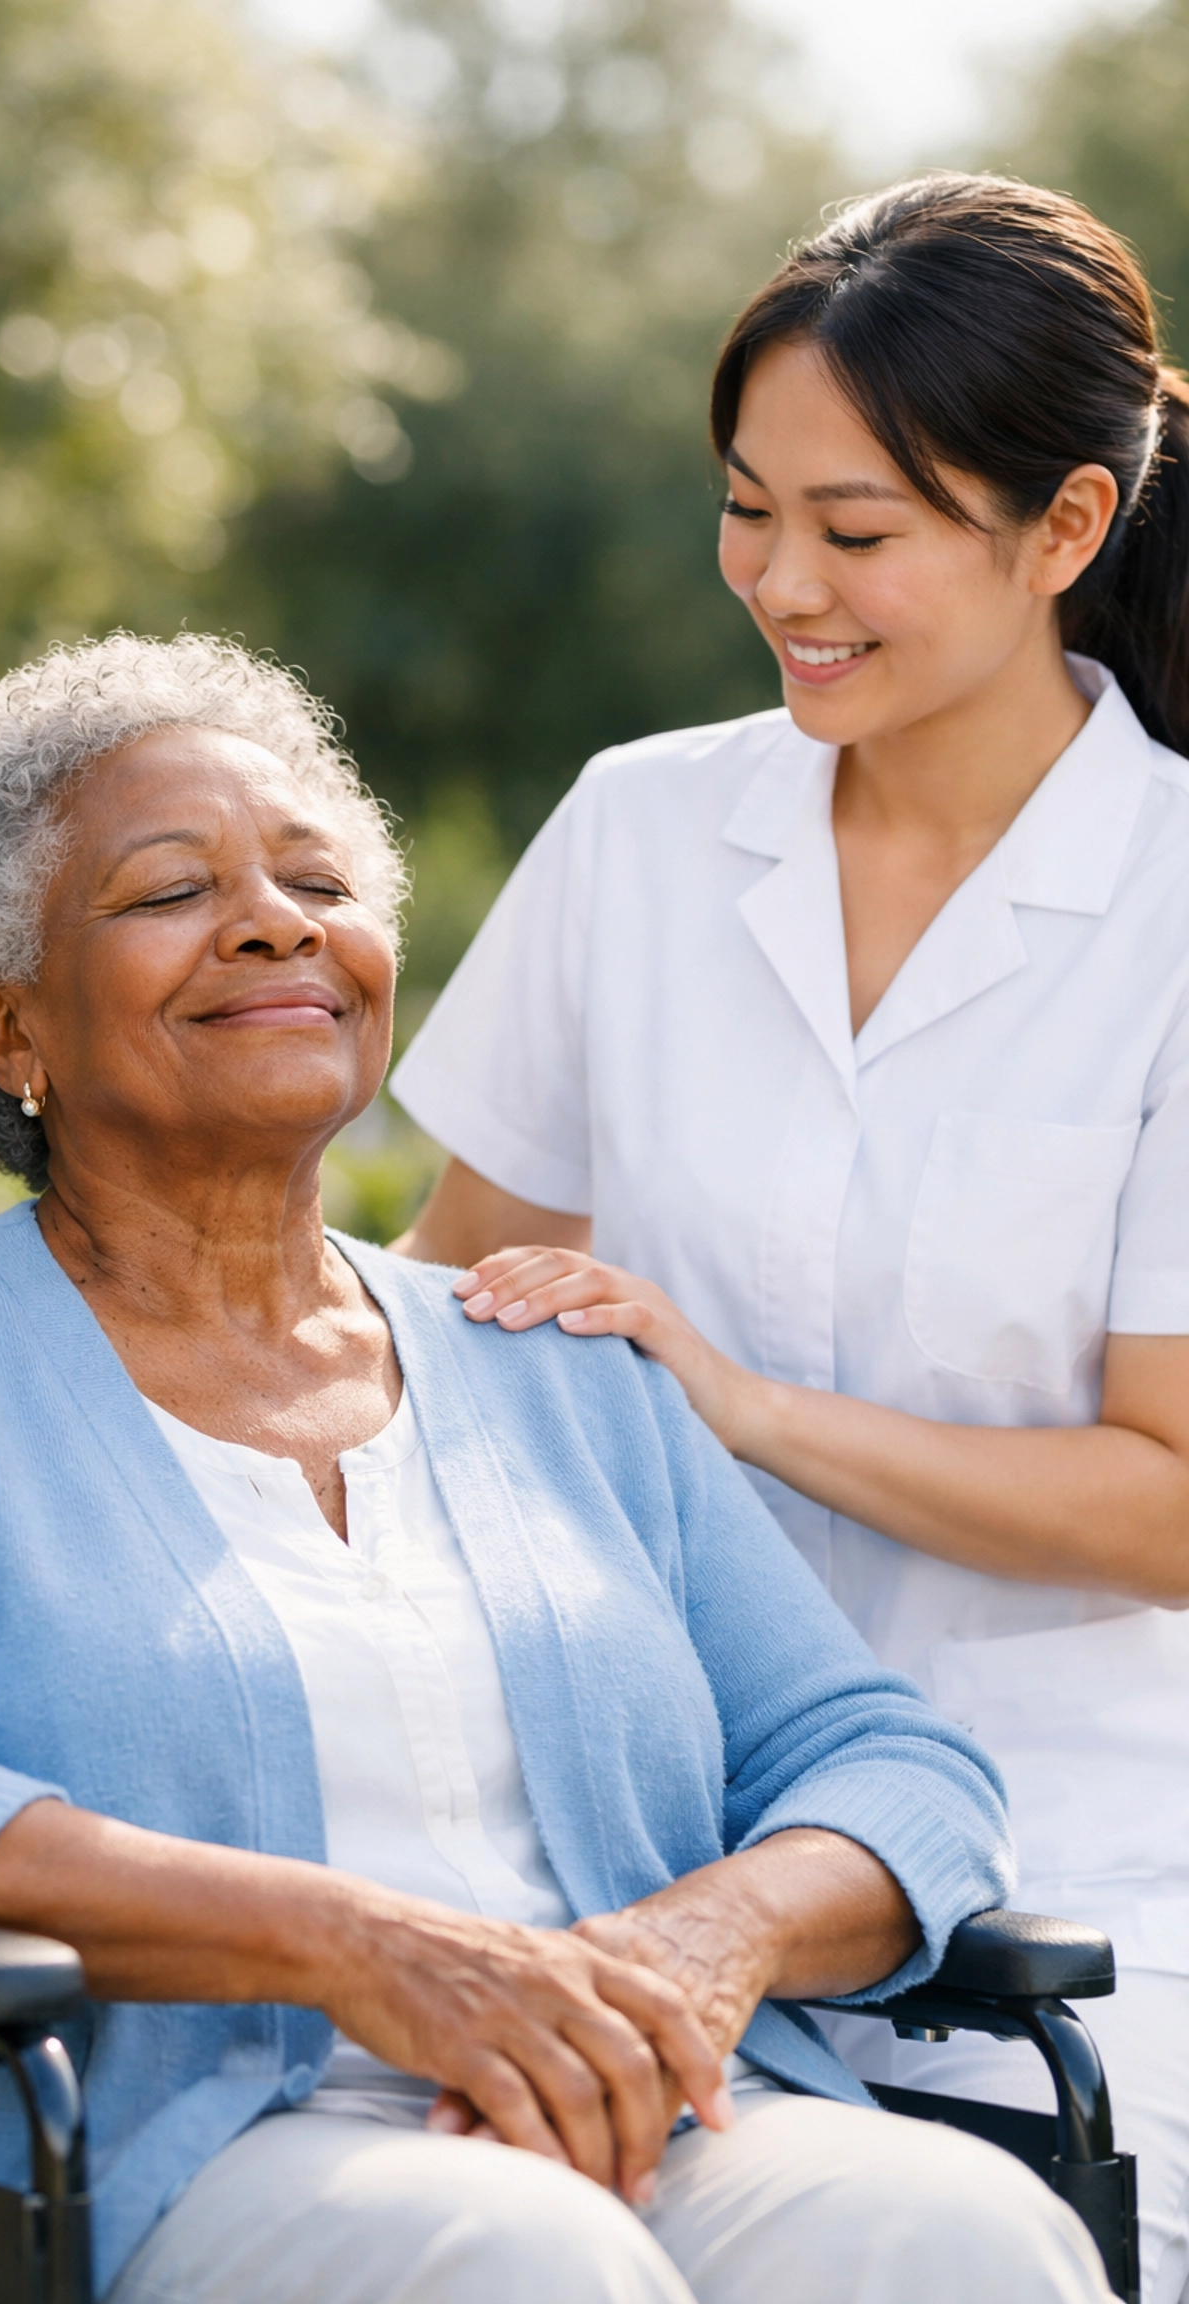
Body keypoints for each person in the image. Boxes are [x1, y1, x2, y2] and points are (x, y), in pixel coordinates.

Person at [0, 634, 1106, 2304]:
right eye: (167, 891)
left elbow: (889, 1761)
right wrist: (362, 1949)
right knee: (523, 2264)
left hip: (644, 2099)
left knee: (955, 2227)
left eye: (317, 879)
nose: (276, 920)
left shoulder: (548, 1357)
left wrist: (700, 1946)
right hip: (146, 2155)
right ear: (10, 1028)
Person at [390, 171, 1189, 2304]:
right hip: (631, 1849)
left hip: (1076, 1882)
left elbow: (1174, 1501)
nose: (780, 584)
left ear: (1068, 532)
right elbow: (447, 1307)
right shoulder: (644, 830)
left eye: (860, 533)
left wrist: (742, 1410)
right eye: (750, 512)